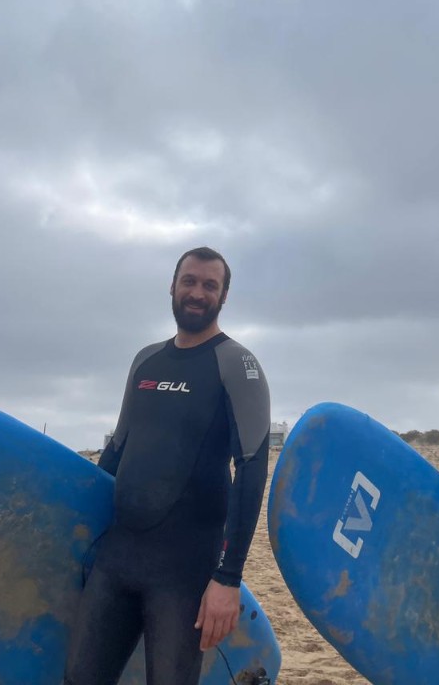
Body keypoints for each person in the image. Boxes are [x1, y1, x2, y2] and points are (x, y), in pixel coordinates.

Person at [64, 247, 271, 685]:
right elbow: (116, 452)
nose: (197, 293)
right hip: (117, 559)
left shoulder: (237, 364)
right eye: (189, 281)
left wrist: (229, 579)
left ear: (224, 296)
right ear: (173, 287)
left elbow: (252, 470)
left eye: (209, 285)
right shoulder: (146, 361)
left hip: (185, 570)